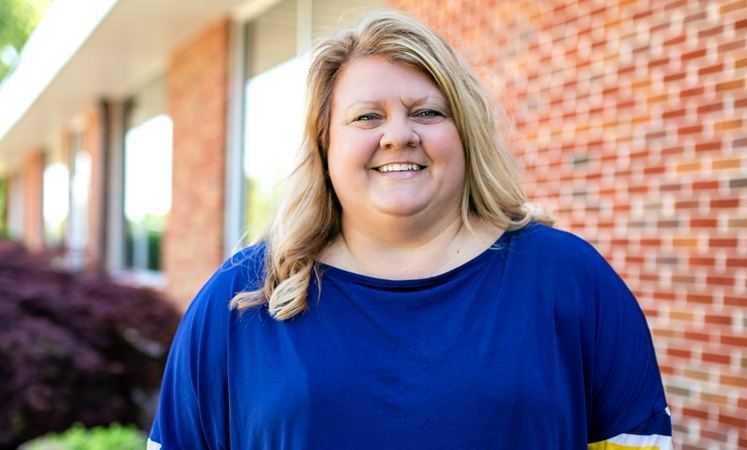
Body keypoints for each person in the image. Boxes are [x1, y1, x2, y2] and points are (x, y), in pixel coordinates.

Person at [148, 9, 671, 450]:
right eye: (367, 118)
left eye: (427, 112)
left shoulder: (572, 281)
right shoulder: (240, 299)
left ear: (464, 134)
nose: (399, 135)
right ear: (324, 145)